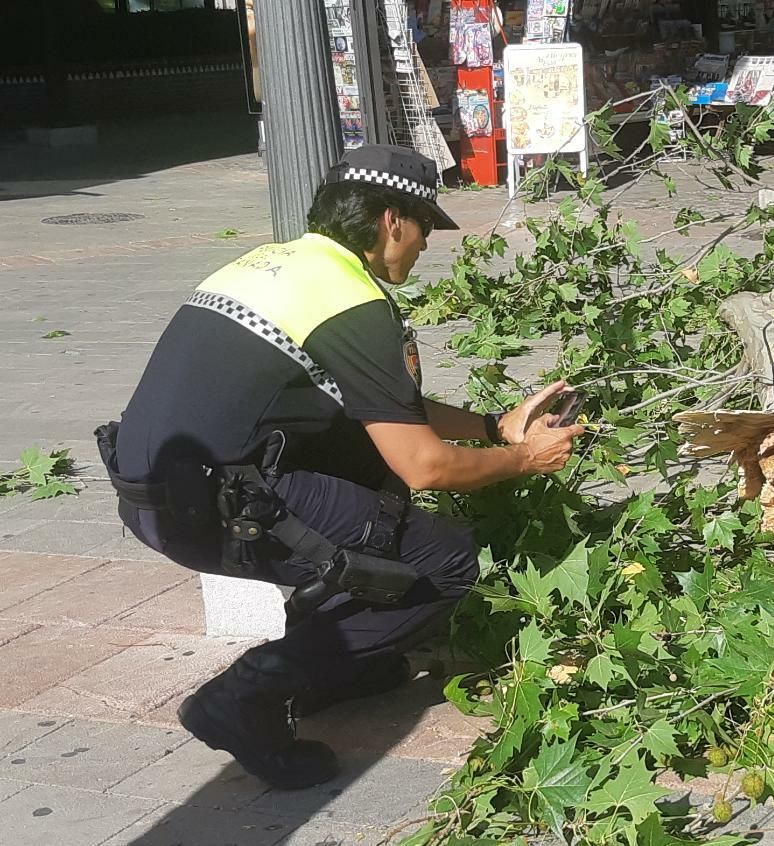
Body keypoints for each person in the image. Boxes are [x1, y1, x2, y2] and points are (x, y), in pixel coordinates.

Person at [97, 146, 583, 789]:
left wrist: (494, 427)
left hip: (157, 497)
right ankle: (244, 698)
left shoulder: (279, 266)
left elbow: (386, 410)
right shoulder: (354, 303)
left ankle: (339, 665)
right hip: (213, 512)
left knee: (360, 462)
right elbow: (426, 468)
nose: (425, 247)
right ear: (392, 221)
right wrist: (524, 458)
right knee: (445, 561)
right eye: (426, 230)